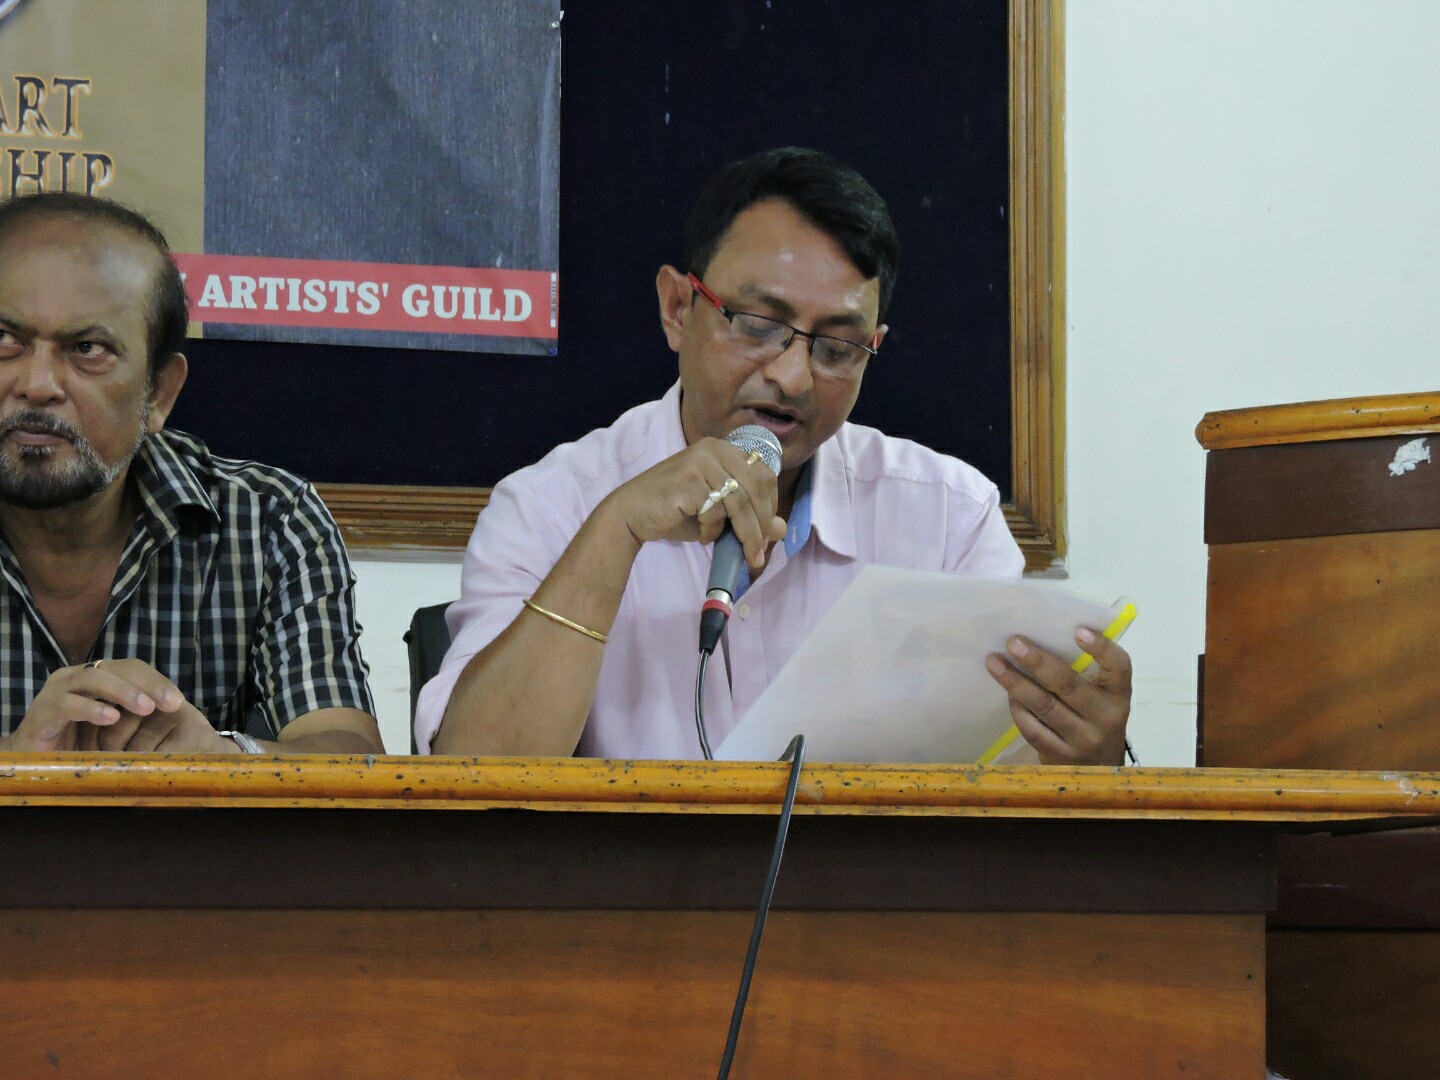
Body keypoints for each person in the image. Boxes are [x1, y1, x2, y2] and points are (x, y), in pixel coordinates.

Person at [417, 147, 1130, 764]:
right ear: (677, 308)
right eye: (758, 324)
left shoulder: (948, 519)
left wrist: (1083, 759)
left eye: (837, 346)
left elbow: (1001, 805)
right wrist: (615, 533)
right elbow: (467, 785)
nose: (792, 378)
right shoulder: (550, 505)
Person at [0, 192, 382, 754]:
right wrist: (15, 768)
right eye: (5, 340)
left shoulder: (267, 520)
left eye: (87, 348)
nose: (37, 385)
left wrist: (221, 759)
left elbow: (350, 758)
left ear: (159, 392)